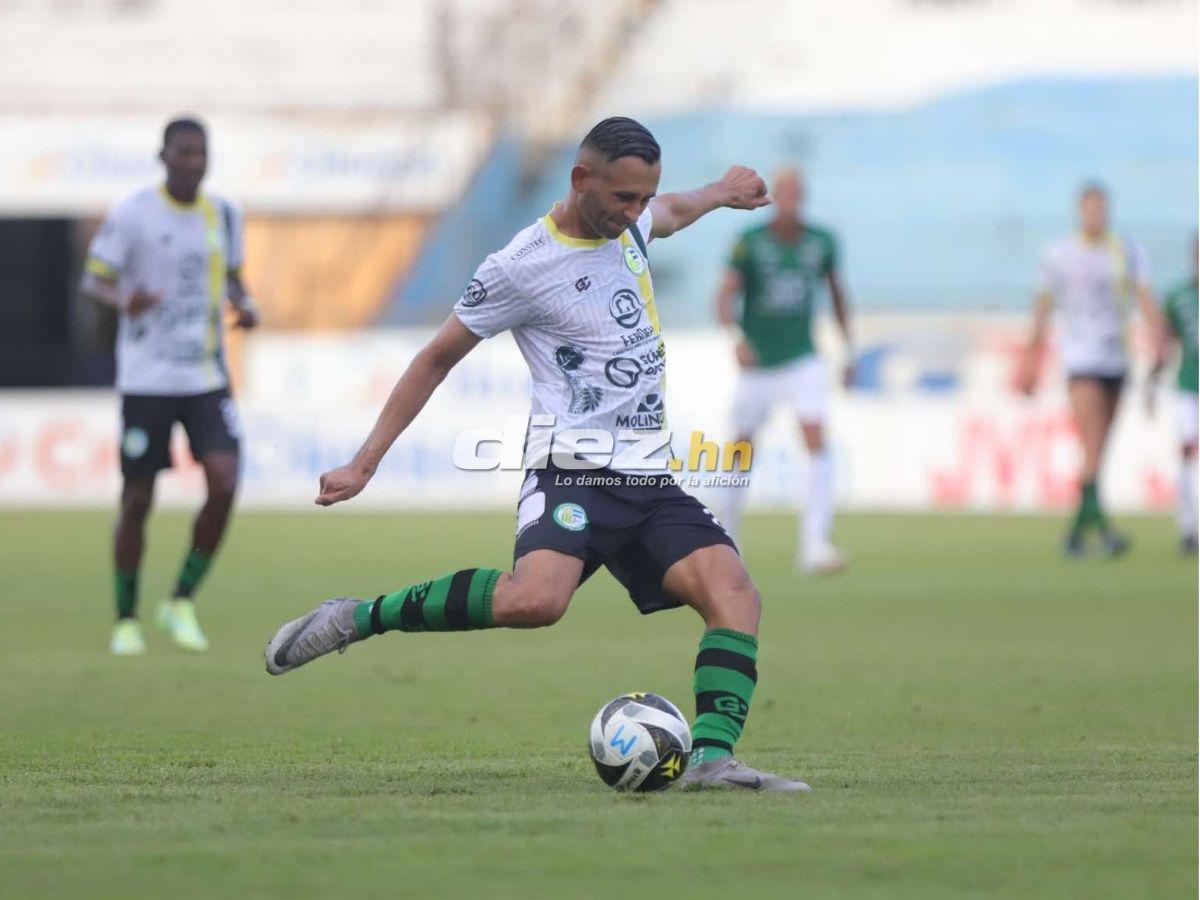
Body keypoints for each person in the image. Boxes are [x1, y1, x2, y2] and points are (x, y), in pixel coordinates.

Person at [263, 117, 809, 793]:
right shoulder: (520, 267)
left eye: (643, 197)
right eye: (623, 197)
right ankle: (355, 617)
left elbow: (670, 211)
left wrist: (720, 191)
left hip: (648, 476)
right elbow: (435, 358)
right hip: (571, 471)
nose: (634, 212)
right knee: (536, 601)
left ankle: (712, 760)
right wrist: (365, 462)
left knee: (735, 594)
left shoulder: (632, 224)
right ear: (581, 179)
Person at [82, 116, 259, 655]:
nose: (192, 162)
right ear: (163, 156)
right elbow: (94, 279)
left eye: (200, 152)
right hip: (147, 379)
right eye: (183, 152)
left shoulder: (223, 213)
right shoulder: (134, 213)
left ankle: (180, 600)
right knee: (138, 498)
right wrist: (123, 300)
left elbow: (233, 278)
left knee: (224, 482)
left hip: (204, 375)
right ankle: (126, 618)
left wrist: (246, 303)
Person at [713, 168, 854, 574]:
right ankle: (725, 541)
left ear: (803, 196)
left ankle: (815, 544)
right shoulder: (750, 241)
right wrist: (736, 338)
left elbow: (837, 295)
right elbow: (724, 295)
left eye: (797, 191)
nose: (791, 198)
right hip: (758, 362)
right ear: (775, 195)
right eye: (785, 191)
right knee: (741, 446)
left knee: (815, 439)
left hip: (802, 357)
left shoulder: (822, 241)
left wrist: (848, 349)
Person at [1018, 182, 1163, 556]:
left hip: (1116, 357)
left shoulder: (1126, 250)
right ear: (1080, 211)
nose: (1097, 214)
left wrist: (1159, 335)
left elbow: (1144, 296)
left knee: (1098, 448)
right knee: (1093, 443)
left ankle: (1080, 532)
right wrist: (1031, 361)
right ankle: (1099, 530)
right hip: (1081, 358)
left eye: (1101, 208)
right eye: (1090, 208)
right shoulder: (1060, 254)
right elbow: (1043, 309)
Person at [1151, 235, 1198, 553]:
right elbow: (1165, 341)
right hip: (1189, 387)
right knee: (1186, 453)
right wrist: (1152, 379)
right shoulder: (1178, 297)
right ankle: (1188, 526)